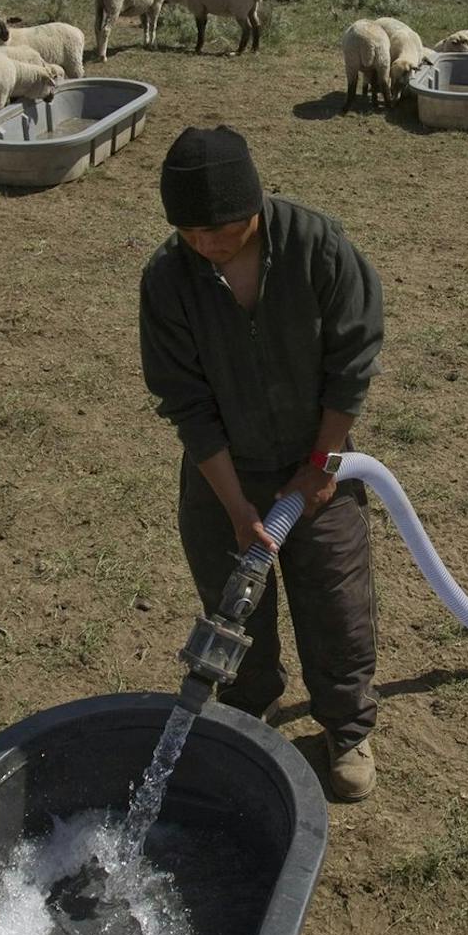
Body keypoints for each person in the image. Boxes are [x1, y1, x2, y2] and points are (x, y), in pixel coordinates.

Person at [138, 126, 385, 801]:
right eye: (191, 233)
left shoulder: (319, 248)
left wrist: (323, 463)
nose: (206, 245)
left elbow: (352, 363)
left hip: (319, 462)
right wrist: (238, 508)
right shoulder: (168, 279)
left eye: (219, 230)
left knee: (336, 600)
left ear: (253, 207)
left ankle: (347, 727)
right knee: (233, 605)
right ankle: (250, 720)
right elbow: (185, 403)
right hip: (224, 471)